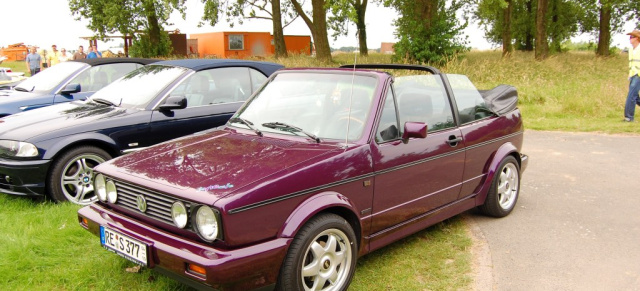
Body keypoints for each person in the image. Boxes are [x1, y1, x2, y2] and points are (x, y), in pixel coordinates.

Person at [624, 29, 640, 122]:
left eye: (632, 37)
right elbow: (632, 64)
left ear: (637, 38)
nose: (630, 39)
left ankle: (629, 117)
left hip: (638, 75)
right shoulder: (631, 50)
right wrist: (630, 74)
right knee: (635, 96)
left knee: (631, 96)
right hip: (633, 75)